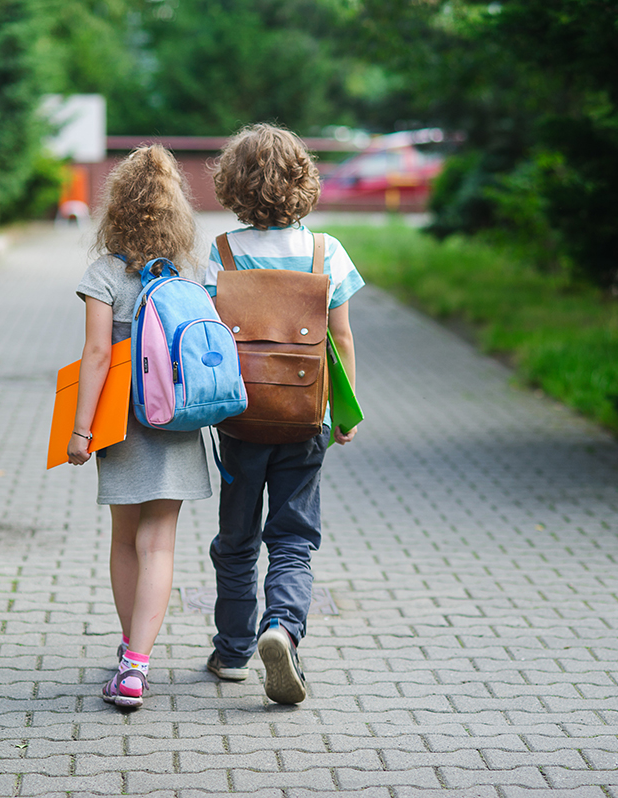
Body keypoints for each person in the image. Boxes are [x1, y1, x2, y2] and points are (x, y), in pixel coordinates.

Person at [203, 123, 363, 704]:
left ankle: (232, 651)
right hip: (305, 417)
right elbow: (340, 340)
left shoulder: (219, 252)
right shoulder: (327, 252)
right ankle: (283, 628)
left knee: (236, 537)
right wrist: (343, 412)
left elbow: (207, 339)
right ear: (303, 181)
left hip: (241, 416)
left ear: (233, 184)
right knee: (293, 536)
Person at [67, 145, 212, 709]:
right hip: (178, 419)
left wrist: (82, 431)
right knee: (160, 543)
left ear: (116, 207)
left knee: (125, 538)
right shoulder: (194, 272)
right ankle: (137, 664)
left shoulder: (104, 273)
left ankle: (129, 654)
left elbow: (98, 355)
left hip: (123, 423)